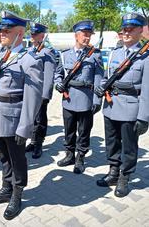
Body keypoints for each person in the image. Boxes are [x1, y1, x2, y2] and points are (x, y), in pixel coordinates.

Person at [0, 10, 43, 220]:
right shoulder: (0, 54)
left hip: (14, 118)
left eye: (7, 30)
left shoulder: (29, 60)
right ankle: (6, 187)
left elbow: (33, 98)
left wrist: (25, 127)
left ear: (20, 32)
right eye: (0, 30)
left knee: (17, 159)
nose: (1, 33)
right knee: (3, 156)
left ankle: (17, 193)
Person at [95, 13, 149, 197]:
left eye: (130, 29)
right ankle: (113, 172)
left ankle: (125, 177)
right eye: (124, 29)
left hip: (131, 108)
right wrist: (101, 87)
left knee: (129, 146)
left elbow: (148, 90)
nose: (126, 32)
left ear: (140, 31)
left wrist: (144, 117)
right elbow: (106, 77)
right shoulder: (113, 53)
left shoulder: (145, 56)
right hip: (110, 106)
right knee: (112, 143)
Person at [55, 20, 103, 174]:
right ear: (76, 35)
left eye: (89, 35)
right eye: (84, 34)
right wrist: (57, 84)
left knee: (84, 131)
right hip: (69, 99)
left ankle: (80, 157)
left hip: (86, 99)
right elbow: (58, 74)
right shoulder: (64, 55)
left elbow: (98, 78)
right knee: (69, 130)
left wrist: (97, 100)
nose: (87, 37)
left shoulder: (95, 55)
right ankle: (69, 154)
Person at [25, 22, 57, 159]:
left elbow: (49, 75)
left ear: (42, 35)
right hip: (29, 91)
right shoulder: (30, 50)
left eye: (35, 33)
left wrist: (45, 95)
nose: (32, 36)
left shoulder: (47, 52)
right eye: (31, 33)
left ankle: (38, 144)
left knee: (40, 120)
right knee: (31, 119)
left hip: (39, 93)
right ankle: (32, 141)